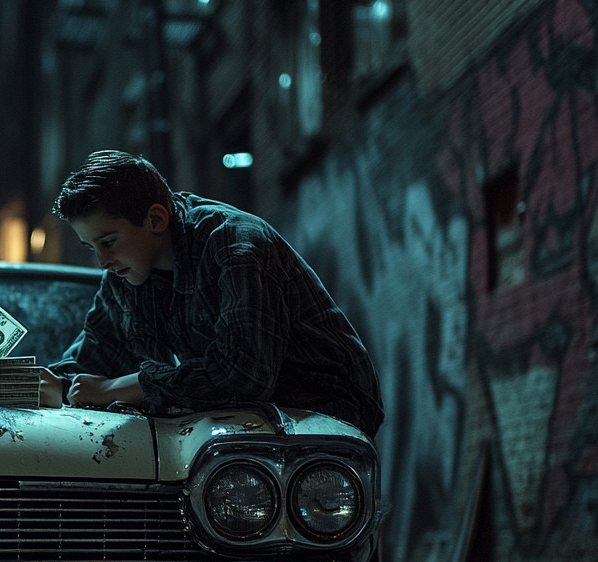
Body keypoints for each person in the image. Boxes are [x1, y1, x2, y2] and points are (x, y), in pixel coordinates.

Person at [40, 150, 384, 437]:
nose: (102, 261)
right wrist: (52, 384)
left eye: (108, 242)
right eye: (91, 247)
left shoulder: (236, 244)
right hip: (247, 424)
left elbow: (243, 376)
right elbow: (91, 358)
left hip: (325, 415)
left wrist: (114, 390)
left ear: (156, 219)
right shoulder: (126, 272)